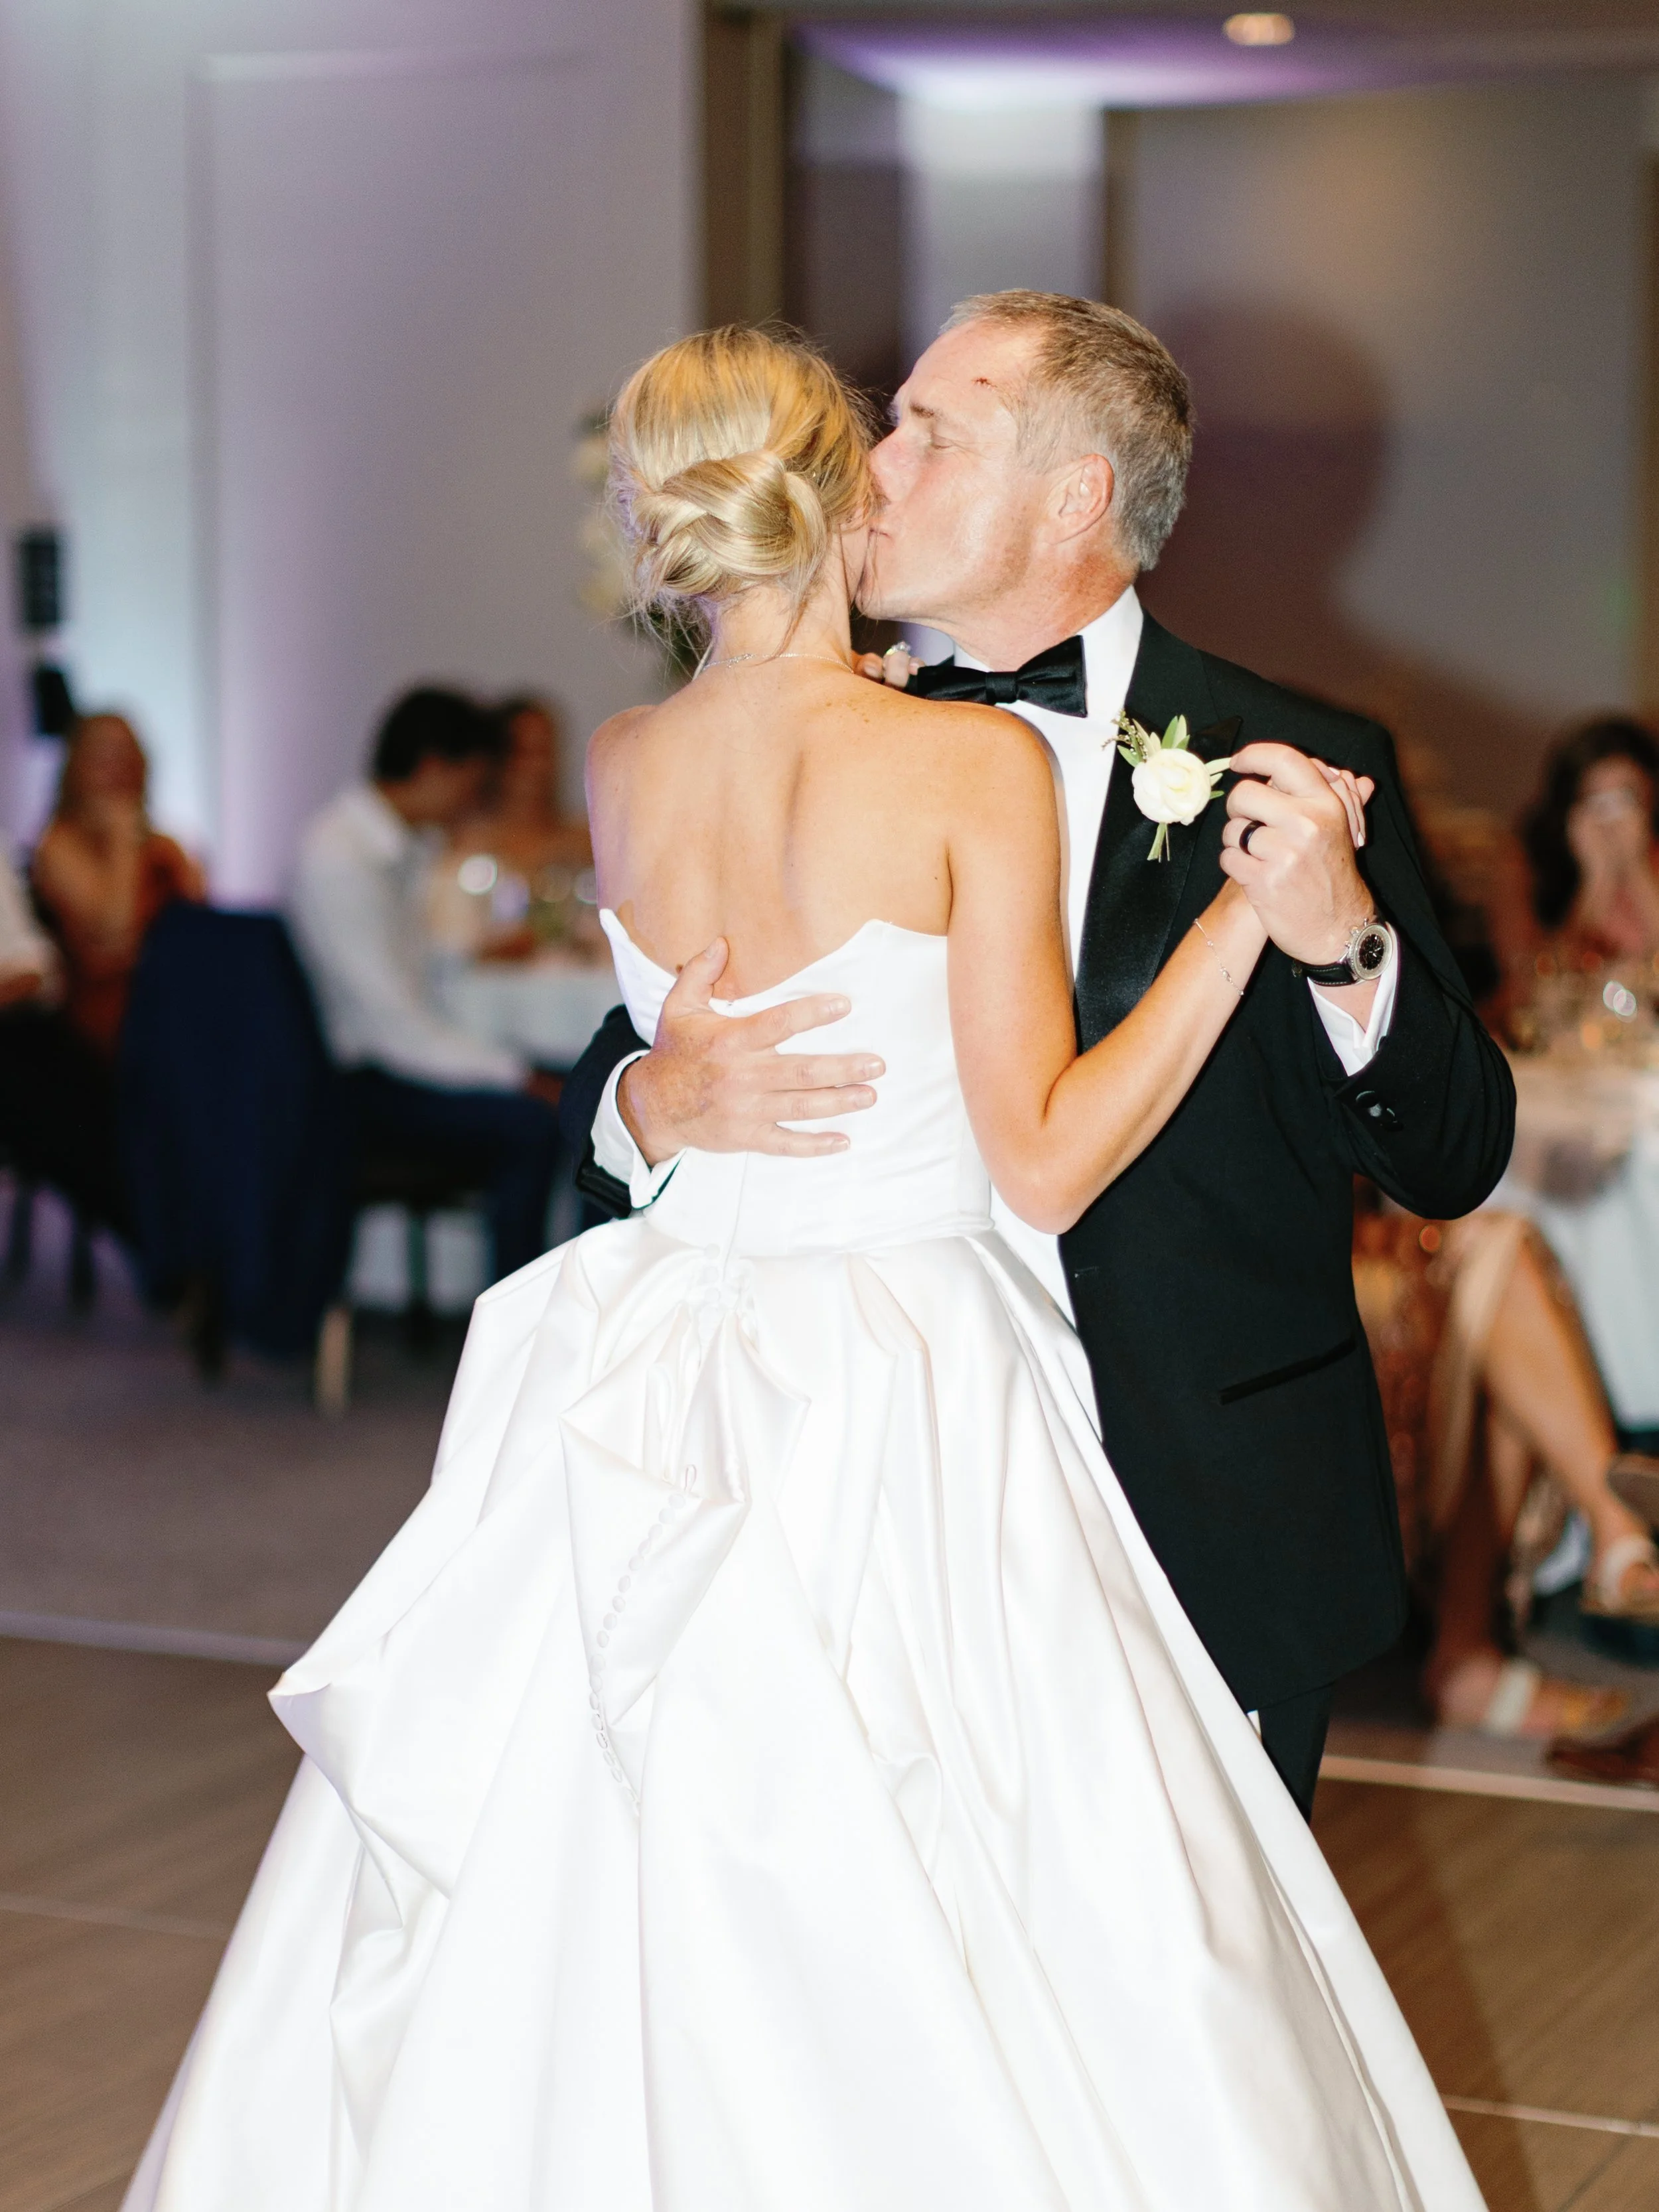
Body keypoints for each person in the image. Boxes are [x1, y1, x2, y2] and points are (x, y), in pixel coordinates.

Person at [563, 291, 1516, 1817]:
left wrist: (1340, 938)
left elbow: (1453, 1151)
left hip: (1201, 1498)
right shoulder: (838, 738)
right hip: (858, 1485)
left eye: (932, 431)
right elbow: (639, 1037)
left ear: (1073, 497)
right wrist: (640, 1095)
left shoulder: (1295, 751)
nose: (870, 465)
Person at [1354, 1194, 1659, 1737]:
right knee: (1492, 1271)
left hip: (1354, 1230)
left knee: (1497, 1261)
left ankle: (1472, 1655)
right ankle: (1620, 1537)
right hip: (1261, 1263)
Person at [289, 685, 561, 1282]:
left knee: (581, 1093)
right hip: (361, 1085)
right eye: (473, 780)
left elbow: (420, 962)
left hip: (391, 1061)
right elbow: (395, 1028)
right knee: (539, 1123)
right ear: (436, 768)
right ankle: (516, 1332)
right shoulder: (340, 856)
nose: (474, 798)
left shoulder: (397, 847)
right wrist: (517, 1075)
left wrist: (476, 951)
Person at [30, 712, 205, 1058]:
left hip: (176, 1012)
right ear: (76, 767)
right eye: (103, 756)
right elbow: (114, 939)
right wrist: (122, 841)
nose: (116, 768)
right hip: (103, 1033)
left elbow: (198, 932)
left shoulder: (166, 849)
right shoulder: (59, 846)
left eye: (125, 754)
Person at [429, 692, 600, 961]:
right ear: (497, 760)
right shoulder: (467, 843)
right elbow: (448, 943)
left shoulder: (587, 838)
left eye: (546, 751)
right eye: (524, 753)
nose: (537, 767)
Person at [1520, 715, 1659, 967]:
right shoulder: (1538, 867)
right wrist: (1597, 880)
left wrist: (1637, 870)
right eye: (1596, 801)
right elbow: (1552, 977)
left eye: (1626, 798)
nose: (1612, 819)